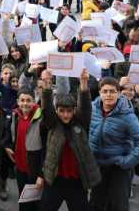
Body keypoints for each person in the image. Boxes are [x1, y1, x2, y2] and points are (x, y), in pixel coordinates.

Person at [38, 69, 101, 211]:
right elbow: (46, 108)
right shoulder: (52, 123)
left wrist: (84, 82)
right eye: (61, 111)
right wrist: (47, 84)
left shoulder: (81, 122)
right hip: (55, 180)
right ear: (57, 111)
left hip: (77, 182)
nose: (66, 115)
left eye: (69, 111)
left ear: (74, 111)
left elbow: (85, 107)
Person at [89, 76, 139, 211]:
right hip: (98, 165)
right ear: (100, 93)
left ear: (118, 93)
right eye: (105, 91)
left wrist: (126, 161)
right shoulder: (92, 109)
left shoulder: (127, 115)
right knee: (96, 202)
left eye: (112, 91)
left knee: (118, 205)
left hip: (118, 167)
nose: (108, 95)